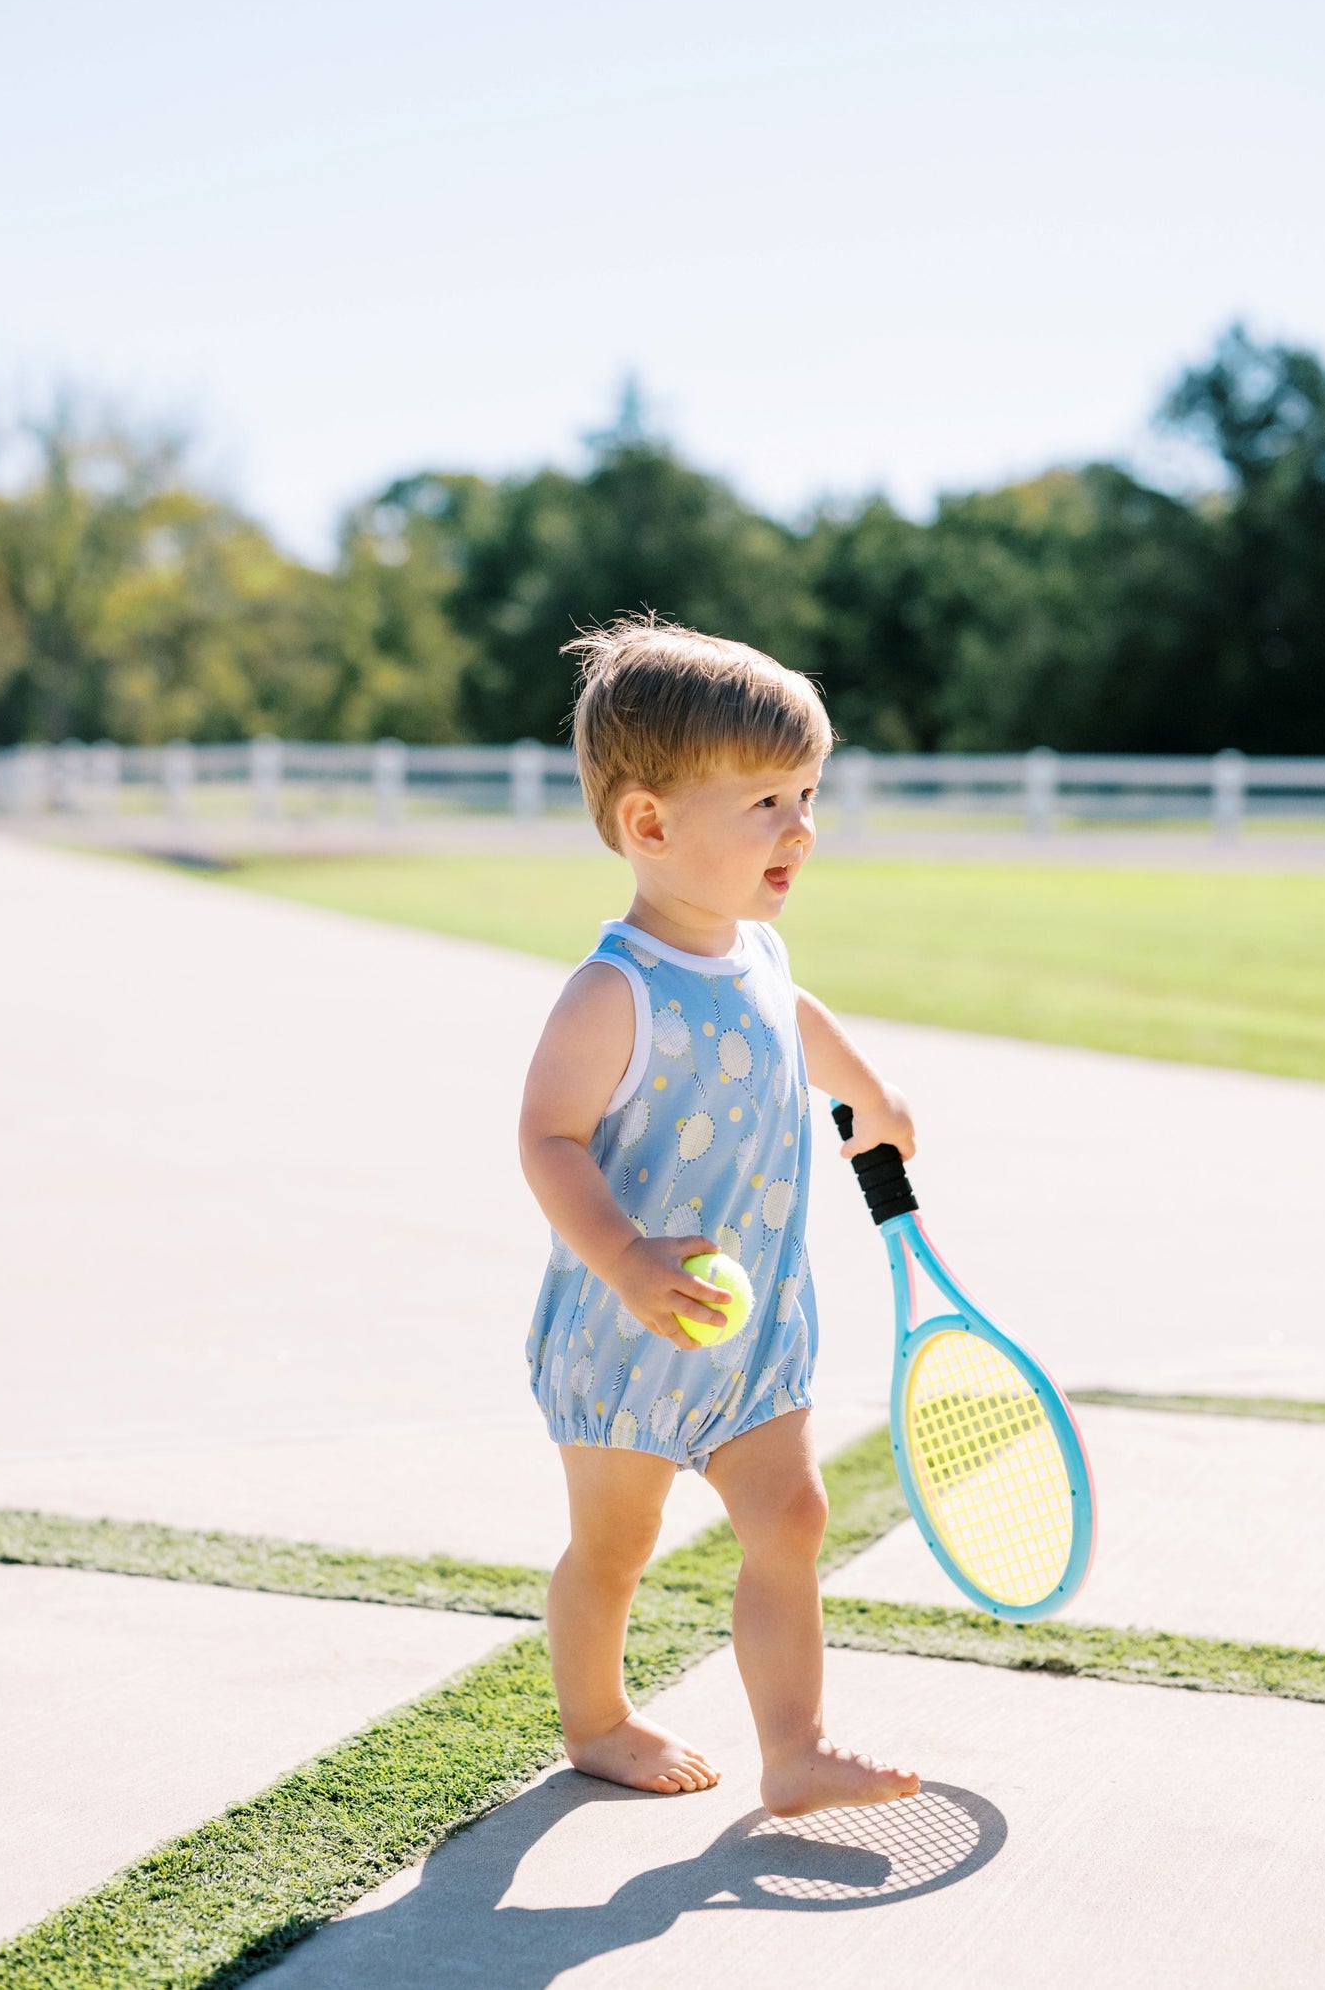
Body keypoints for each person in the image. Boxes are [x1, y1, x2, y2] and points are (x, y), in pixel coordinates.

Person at [519, 617, 920, 1816]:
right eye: (764, 803)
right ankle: (596, 1721)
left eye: (806, 792)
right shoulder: (611, 993)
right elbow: (546, 1141)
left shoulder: (753, 948)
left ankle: (791, 1751)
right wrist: (625, 1258)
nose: (800, 827)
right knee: (614, 1546)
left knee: (789, 1516)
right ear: (648, 825)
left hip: (750, 1333)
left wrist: (870, 1094)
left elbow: (792, 1016)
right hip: (626, 1331)